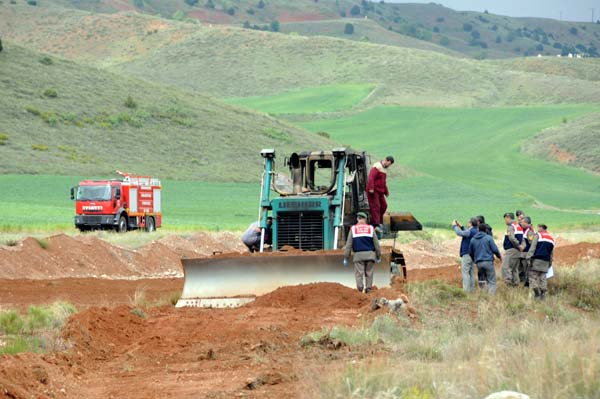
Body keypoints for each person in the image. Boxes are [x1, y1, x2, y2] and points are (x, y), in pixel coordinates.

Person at [343, 212, 382, 293]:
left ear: (358, 219)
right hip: (370, 255)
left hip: (358, 256)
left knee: (359, 274)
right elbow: (376, 245)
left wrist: (346, 257)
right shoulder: (371, 228)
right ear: (365, 219)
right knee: (369, 273)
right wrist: (378, 256)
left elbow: (348, 245)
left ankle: (360, 290)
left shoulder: (353, 229)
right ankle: (368, 289)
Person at [469, 223, 502, 294]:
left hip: (479, 263)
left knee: (482, 280)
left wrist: (475, 260)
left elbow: (470, 252)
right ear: (485, 230)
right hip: (488, 262)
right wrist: (499, 257)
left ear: (478, 229)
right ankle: (490, 298)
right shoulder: (489, 238)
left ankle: (483, 295)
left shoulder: (473, 239)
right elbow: (495, 250)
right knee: (492, 281)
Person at [526, 224, 555, 300]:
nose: (537, 229)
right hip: (546, 261)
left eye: (538, 228)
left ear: (541, 228)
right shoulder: (552, 238)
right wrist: (550, 263)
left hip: (536, 260)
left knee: (532, 276)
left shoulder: (538, 236)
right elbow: (551, 253)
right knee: (543, 278)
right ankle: (543, 294)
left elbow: (533, 248)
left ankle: (536, 292)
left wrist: (528, 257)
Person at [366, 156, 394, 230]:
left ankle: (378, 220)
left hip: (380, 191)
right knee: (376, 206)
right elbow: (371, 177)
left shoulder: (384, 169)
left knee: (384, 206)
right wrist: (371, 188)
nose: (389, 166)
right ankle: (375, 224)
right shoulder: (377, 166)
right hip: (373, 191)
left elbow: (383, 182)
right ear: (386, 160)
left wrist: (386, 192)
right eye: (389, 164)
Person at [452, 217, 478, 292]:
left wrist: (455, 226)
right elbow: (467, 232)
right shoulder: (475, 231)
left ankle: (466, 291)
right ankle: (472, 290)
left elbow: (459, 233)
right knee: (471, 273)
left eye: (468, 222)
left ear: (471, 223)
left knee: (465, 273)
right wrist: (461, 226)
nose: (467, 223)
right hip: (473, 255)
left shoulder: (471, 231)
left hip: (467, 254)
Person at [501, 212, 524, 286]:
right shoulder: (518, 226)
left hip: (511, 250)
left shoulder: (510, 227)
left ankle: (508, 285)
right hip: (517, 252)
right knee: (514, 269)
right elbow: (523, 239)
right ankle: (516, 285)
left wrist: (518, 245)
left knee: (505, 268)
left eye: (505, 219)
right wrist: (521, 246)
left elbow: (511, 238)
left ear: (508, 218)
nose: (505, 221)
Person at [475, 215, 493, 285]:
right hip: (489, 255)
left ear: (478, 222)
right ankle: (489, 289)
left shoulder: (481, 231)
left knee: (481, 274)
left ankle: (483, 290)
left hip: (481, 255)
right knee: (489, 275)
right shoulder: (489, 229)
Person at [519, 216, 535, 286]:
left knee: (526, 270)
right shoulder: (524, 231)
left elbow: (532, 244)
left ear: (525, 223)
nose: (521, 224)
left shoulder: (530, 232)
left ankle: (527, 285)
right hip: (522, 254)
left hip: (526, 254)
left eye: (522, 222)